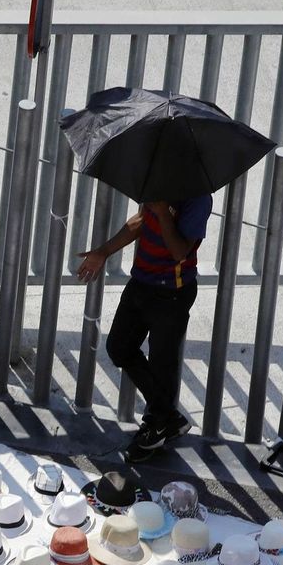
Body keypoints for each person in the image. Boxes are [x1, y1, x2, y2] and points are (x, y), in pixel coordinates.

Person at [76, 195, 212, 462]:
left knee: (162, 364)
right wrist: (103, 252)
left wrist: (163, 212)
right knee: (118, 347)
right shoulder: (160, 177)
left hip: (172, 292)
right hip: (141, 281)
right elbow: (140, 221)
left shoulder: (198, 199)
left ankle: (156, 427)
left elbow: (180, 251)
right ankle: (167, 418)